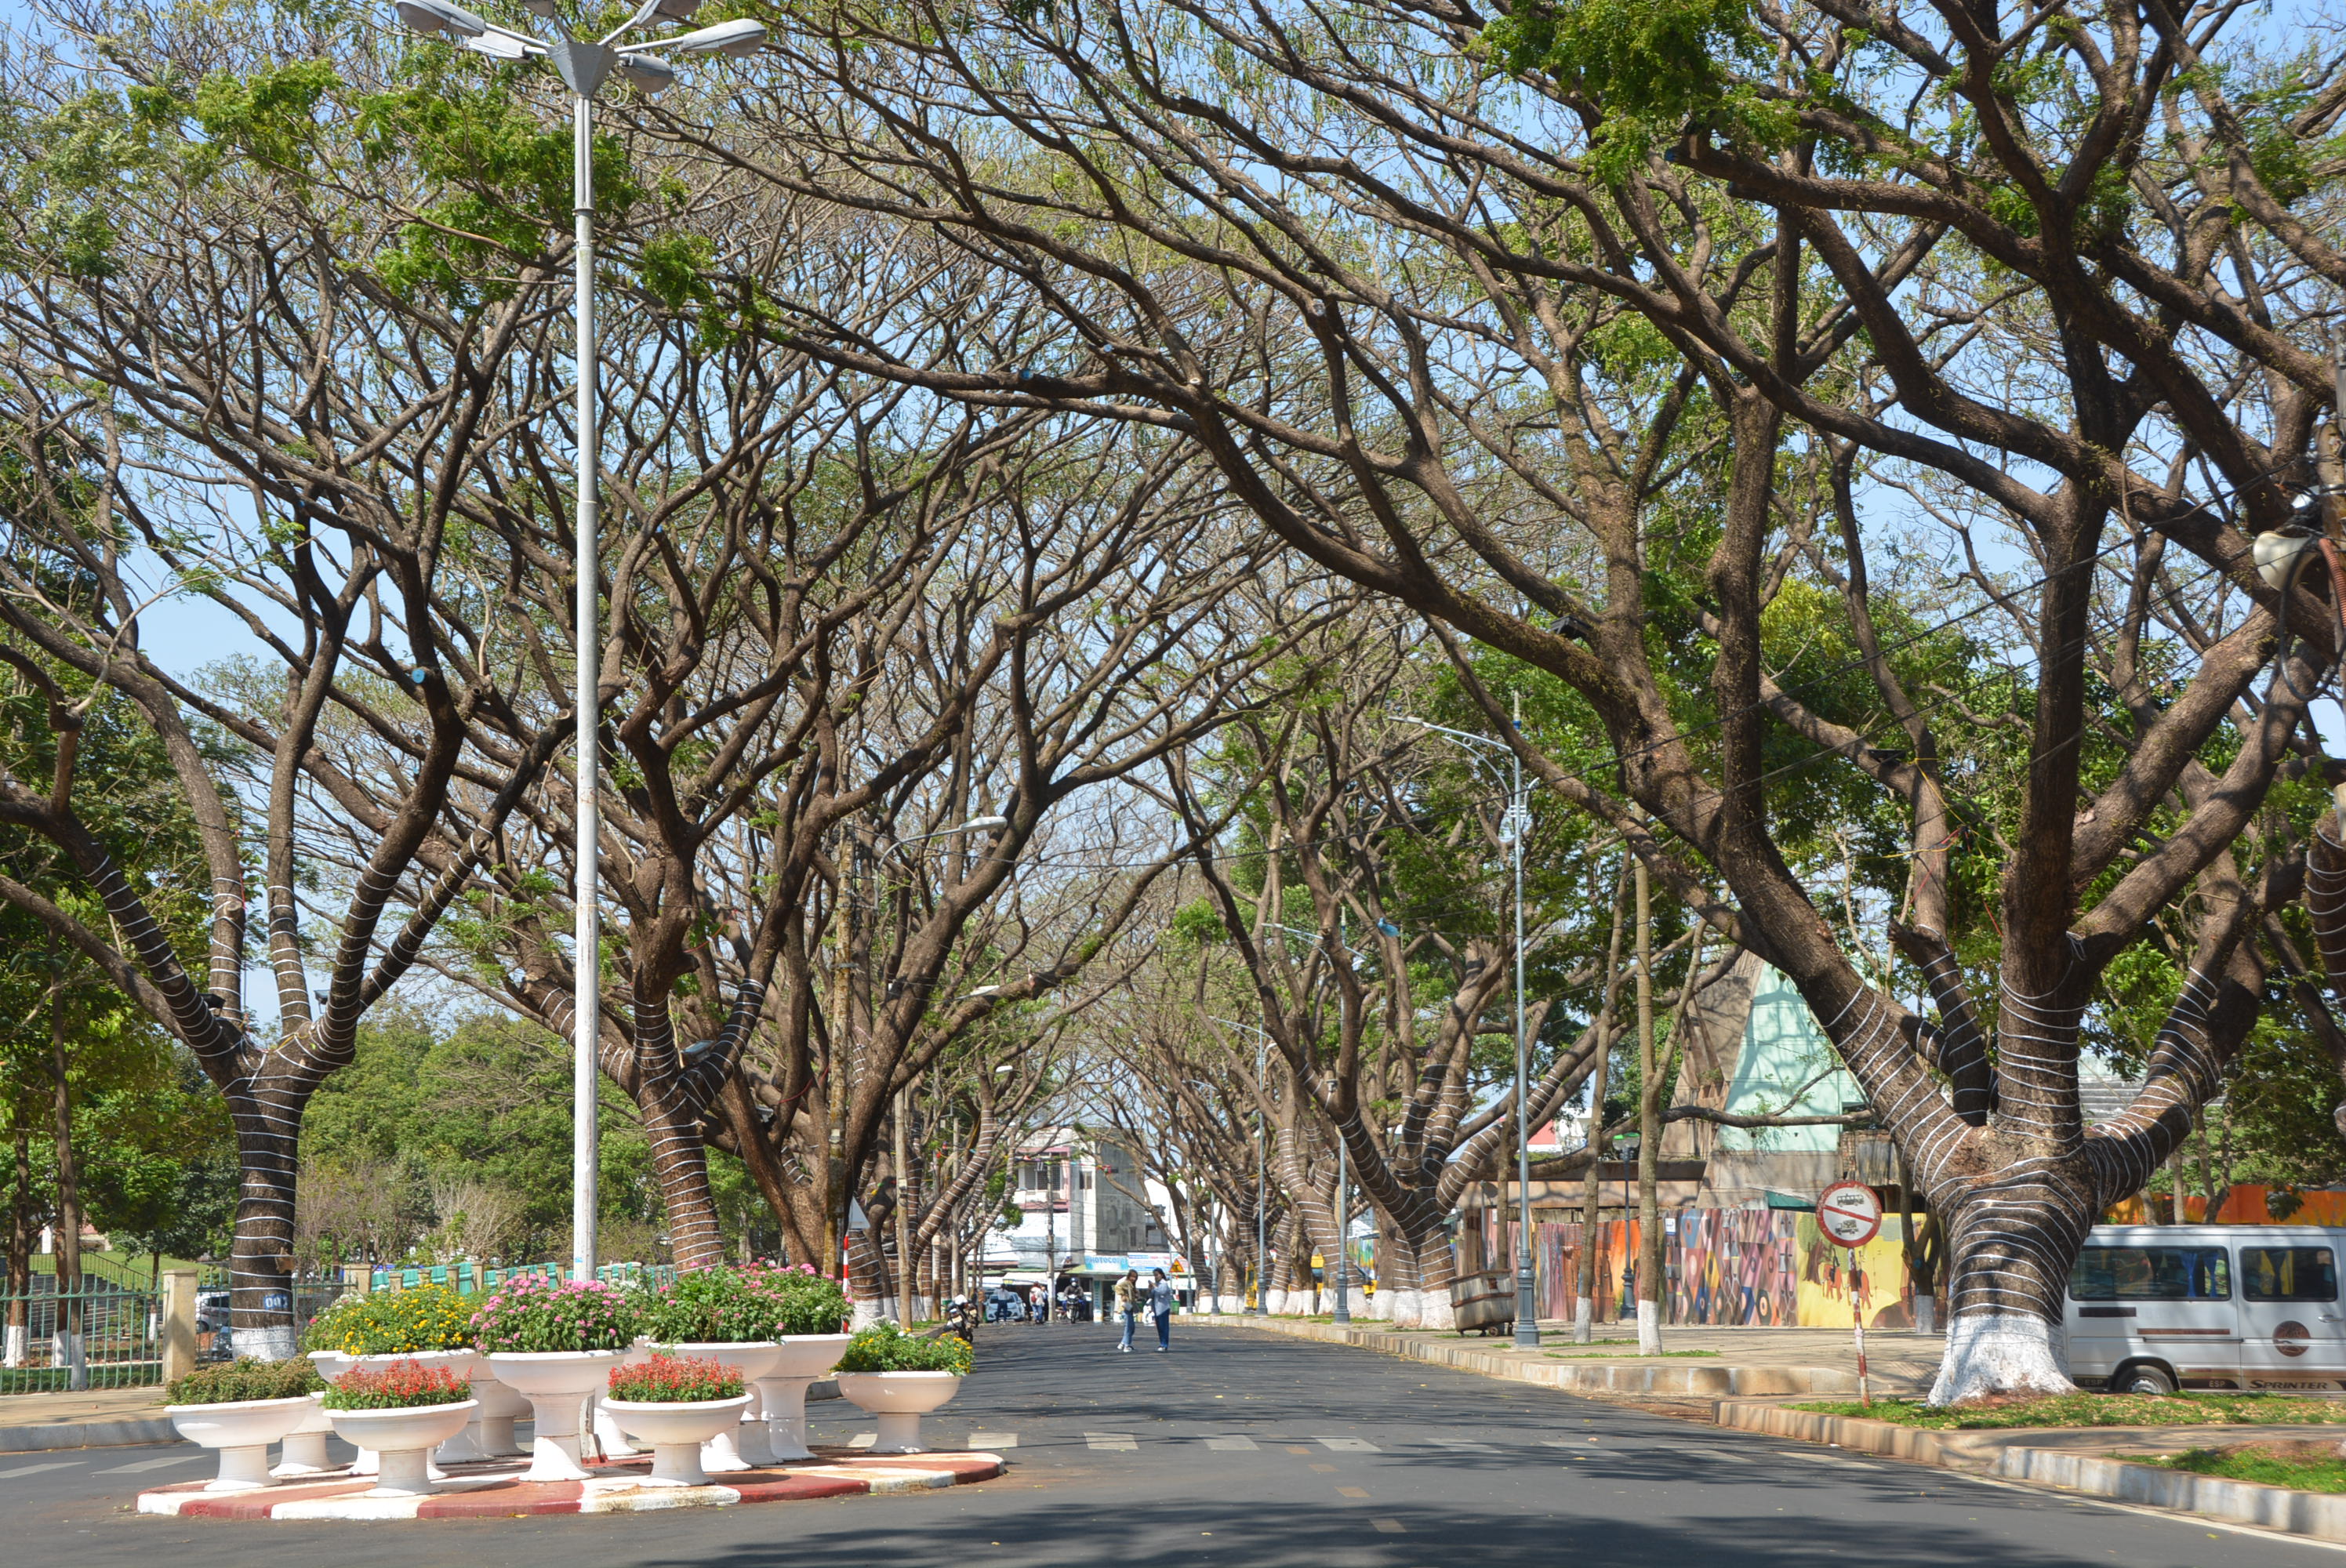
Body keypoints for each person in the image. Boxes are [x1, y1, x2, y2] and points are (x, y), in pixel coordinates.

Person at [1149, 1268, 1175, 1352]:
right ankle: (1161, 1343)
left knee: (1164, 1327)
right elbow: (1151, 1296)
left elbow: (1162, 1292)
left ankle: (1164, 1344)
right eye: (1154, 1275)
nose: (1155, 1277)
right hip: (1157, 1308)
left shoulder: (1164, 1284)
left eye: (1157, 1275)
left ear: (1161, 1275)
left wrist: (1154, 1286)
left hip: (1163, 1308)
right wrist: (1150, 1289)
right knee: (1159, 1328)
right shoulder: (1156, 1284)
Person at [1114, 1269, 1138, 1352]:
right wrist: (1123, 1295)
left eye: (1135, 1277)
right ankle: (1127, 1345)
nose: (1134, 1279)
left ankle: (1123, 1343)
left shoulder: (1131, 1284)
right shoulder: (1126, 1282)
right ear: (1129, 1276)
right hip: (1126, 1307)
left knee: (1131, 1327)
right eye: (1132, 1277)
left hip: (1130, 1307)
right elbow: (1117, 1287)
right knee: (1129, 1327)